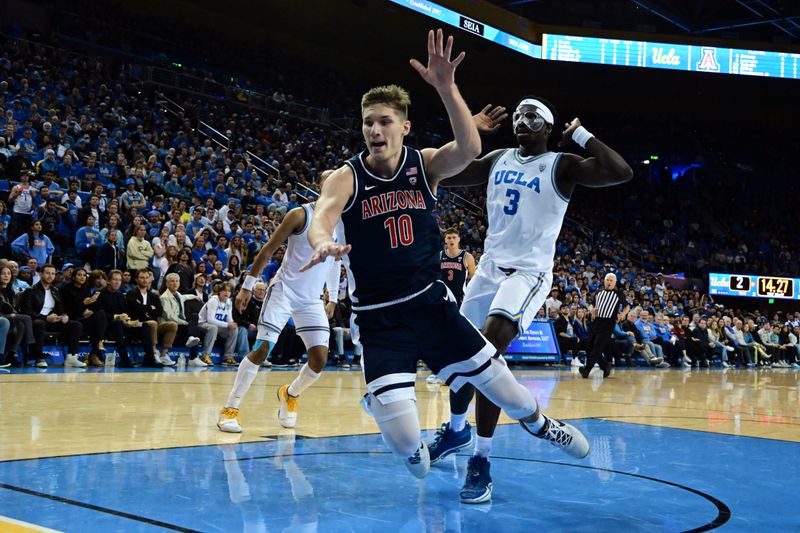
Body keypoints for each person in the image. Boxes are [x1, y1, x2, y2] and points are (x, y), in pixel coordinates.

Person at [302, 30, 591, 495]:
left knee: (511, 396)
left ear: (404, 128)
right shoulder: (345, 176)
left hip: (431, 309)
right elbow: (323, 216)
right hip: (379, 323)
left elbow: (471, 149)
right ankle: (406, 425)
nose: (375, 131)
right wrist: (322, 241)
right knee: (409, 458)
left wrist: (445, 88)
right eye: (368, 123)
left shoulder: (425, 165)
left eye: (384, 122)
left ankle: (542, 427)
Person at [419, 90, 631, 501]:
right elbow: (440, 172)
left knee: (485, 352)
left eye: (532, 116)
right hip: (490, 269)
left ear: (548, 128)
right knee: (460, 351)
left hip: (527, 273)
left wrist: (582, 135)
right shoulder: (498, 158)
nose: (521, 119)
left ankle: (482, 459)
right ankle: (458, 432)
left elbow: (620, 171)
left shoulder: (562, 165)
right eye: (518, 114)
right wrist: (468, 134)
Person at [218, 173, 341, 433]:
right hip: (284, 291)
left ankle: (290, 394)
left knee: (319, 360)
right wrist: (247, 287)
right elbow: (268, 250)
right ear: (321, 187)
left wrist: (333, 297)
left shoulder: (343, 222)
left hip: (311, 300)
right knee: (263, 348)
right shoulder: (300, 215)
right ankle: (230, 408)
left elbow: (336, 260)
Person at [17, 264, 84, 368]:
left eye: (53, 273)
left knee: (76, 325)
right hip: (36, 321)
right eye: (47, 273)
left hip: (52, 321)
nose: (50, 276)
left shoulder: (55, 290)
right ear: (41, 274)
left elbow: (60, 309)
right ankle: (39, 358)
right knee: (40, 323)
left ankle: (72, 357)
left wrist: (63, 316)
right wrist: (45, 318)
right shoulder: (31, 290)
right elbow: (26, 311)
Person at [125, 268, 177, 367]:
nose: (145, 280)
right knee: (152, 323)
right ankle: (152, 353)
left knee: (172, 325)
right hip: (137, 324)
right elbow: (137, 311)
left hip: (153, 324)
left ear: (150, 279)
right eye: (142, 278)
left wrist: (144, 308)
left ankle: (163, 355)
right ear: (136, 279)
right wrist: (150, 309)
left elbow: (159, 311)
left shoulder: (153, 296)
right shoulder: (131, 294)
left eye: (147, 278)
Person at [96, 269, 148, 368]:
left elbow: (125, 311)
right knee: (117, 323)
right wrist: (117, 316)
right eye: (115, 279)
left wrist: (129, 319)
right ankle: (125, 360)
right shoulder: (101, 294)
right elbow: (100, 315)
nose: (117, 282)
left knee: (144, 325)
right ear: (108, 281)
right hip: (107, 326)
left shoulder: (120, 295)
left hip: (122, 323)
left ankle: (149, 358)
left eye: (119, 280)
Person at [61, 267, 107, 366]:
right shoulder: (65, 289)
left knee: (100, 315)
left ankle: (95, 350)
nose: (82, 277)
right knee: (96, 323)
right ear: (73, 277)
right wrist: (83, 305)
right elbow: (68, 308)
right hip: (71, 319)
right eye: (79, 275)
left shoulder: (85, 289)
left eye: (84, 275)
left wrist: (93, 303)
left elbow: (91, 307)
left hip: (82, 318)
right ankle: (96, 350)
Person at [159, 273, 202, 365]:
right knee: (193, 328)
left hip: (180, 324)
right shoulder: (164, 298)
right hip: (170, 325)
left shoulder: (178, 294)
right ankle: (193, 357)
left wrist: (194, 296)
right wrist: (185, 322)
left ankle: (191, 339)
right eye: (172, 281)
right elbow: (170, 316)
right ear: (166, 284)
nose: (175, 283)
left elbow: (184, 297)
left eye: (177, 281)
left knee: (194, 316)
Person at [0, 265, 35, 367]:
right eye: (3, 273)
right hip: (3, 316)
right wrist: (14, 313)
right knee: (26, 318)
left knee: (21, 325)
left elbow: (12, 307)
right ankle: (32, 348)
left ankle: (12, 354)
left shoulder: (10, 290)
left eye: (8, 273)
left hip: (7, 316)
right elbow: (4, 306)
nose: (6, 276)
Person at [198, 281, 239, 366]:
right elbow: (210, 320)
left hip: (216, 325)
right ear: (219, 292)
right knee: (213, 327)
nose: (226, 293)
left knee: (234, 330)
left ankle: (228, 357)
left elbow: (229, 318)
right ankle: (205, 356)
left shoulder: (229, 302)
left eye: (228, 291)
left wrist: (232, 324)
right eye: (224, 290)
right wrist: (227, 325)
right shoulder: (214, 300)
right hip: (202, 324)